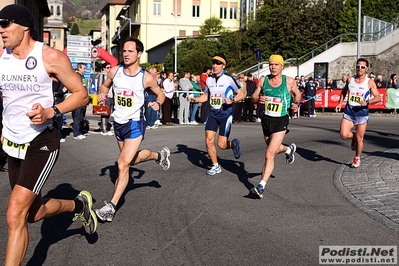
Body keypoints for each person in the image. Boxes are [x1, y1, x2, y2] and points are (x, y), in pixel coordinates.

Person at [0, 4, 97, 265]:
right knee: (32, 214)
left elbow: (81, 94)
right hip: (12, 142)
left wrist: (51, 111)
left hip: (41, 140)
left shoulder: (50, 57)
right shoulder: (1, 55)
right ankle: (79, 206)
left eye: (6, 23)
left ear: (24, 26)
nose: (1, 30)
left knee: (14, 215)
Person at [95, 37, 171, 222]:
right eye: (124, 51)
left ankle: (111, 207)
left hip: (135, 124)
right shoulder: (115, 71)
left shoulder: (146, 77)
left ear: (138, 54)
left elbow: (161, 94)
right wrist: (103, 95)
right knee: (129, 162)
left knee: (122, 164)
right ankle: (158, 156)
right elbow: (104, 87)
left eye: (130, 51)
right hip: (118, 123)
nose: (126, 54)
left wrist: (156, 103)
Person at [250, 55, 302, 199]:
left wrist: (296, 103)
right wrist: (258, 99)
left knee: (268, 154)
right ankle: (288, 149)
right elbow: (253, 96)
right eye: (271, 64)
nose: (273, 67)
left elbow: (298, 94)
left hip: (281, 120)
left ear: (281, 66)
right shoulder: (263, 80)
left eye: (276, 65)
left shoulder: (289, 81)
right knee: (272, 150)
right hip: (267, 119)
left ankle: (261, 186)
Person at [191, 53, 245, 175]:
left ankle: (233, 144)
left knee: (221, 144)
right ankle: (215, 165)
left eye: (218, 63)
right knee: (208, 140)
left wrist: (232, 100)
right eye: (213, 63)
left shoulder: (229, 79)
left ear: (223, 66)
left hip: (226, 115)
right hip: (213, 114)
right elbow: (205, 96)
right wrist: (194, 99)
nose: (215, 65)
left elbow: (241, 94)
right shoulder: (209, 80)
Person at [335, 58, 380, 168]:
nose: (359, 69)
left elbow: (378, 97)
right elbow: (344, 91)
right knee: (343, 135)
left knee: (360, 139)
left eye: (362, 67)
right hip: (349, 112)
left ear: (367, 69)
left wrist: (367, 102)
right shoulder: (350, 79)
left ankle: (357, 158)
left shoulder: (369, 82)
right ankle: (353, 137)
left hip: (362, 113)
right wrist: (340, 103)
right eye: (358, 66)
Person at [96, 62, 114, 135]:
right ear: (104, 68)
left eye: (110, 67)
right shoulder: (102, 75)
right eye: (107, 67)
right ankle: (104, 130)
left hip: (110, 96)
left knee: (108, 112)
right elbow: (100, 86)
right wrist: (101, 97)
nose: (109, 69)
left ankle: (105, 127)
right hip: (105, 96)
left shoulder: (110, 76)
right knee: (104, 112)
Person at [73, 62, 88, 140]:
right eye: (84, 68)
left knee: (81, 116)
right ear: (79, 68)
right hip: (77, 99)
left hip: (82, 100)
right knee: (77, 116)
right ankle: (76, 133)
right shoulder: (77, 76)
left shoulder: (82, 76)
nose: (85, 70)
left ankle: (78, 130)